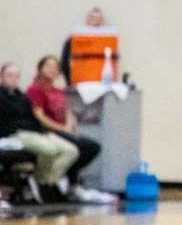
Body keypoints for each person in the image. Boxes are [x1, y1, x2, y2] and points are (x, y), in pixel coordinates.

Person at [27, 55, 115, 203]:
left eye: (55, 67)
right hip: (47, 131)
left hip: (63, 129)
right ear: (40, 68)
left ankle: (67, 180)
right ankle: (69, 183)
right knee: (79, 147)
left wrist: (70, 125)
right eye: (48, 66)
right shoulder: (35, 89)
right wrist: (61, 128)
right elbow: (39, 116)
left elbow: (67, 110)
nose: (51, 69)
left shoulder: (57, 90)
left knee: (93, 147)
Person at [1, 62, 79, 203]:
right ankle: (39, 180)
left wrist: (42, 131)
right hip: (16, 133)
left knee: (71, 151)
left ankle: (46, 181)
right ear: (2, 77)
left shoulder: (23, 98)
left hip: (35, 131)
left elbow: (33, 118)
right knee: (50, 150)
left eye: (16, 76)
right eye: (9, 75)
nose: (13, 79)